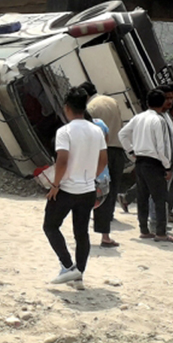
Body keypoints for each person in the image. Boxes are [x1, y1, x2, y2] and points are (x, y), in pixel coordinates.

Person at [44, 88, 107, 285]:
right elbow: (103, 160)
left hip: (67, 189)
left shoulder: (65, 131)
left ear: (67, 108)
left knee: (50, 226)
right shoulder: (97, 130)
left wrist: (55, 184)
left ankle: (68, 266)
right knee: (81, 233)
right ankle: (79, 273)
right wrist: (90, 177)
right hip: (87, 190)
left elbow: (62, 160)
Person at [117, 89, 173, 243]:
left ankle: (144, 230)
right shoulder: (159, 121)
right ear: (162, 103)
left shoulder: (138, 117)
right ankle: (161, 233)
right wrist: (167, 166)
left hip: (140, 161)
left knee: (142, 197)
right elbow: (162, 147)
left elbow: (122, 134)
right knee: (160, 198)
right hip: (154, 162)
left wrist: (131, 151)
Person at [87, 85, 126, 248]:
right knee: (113, 187)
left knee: (99, 188)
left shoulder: (90, 107)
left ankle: (100, 221)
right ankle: (107, 219)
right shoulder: (112, 101)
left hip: (102, 150)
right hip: (118, 148)